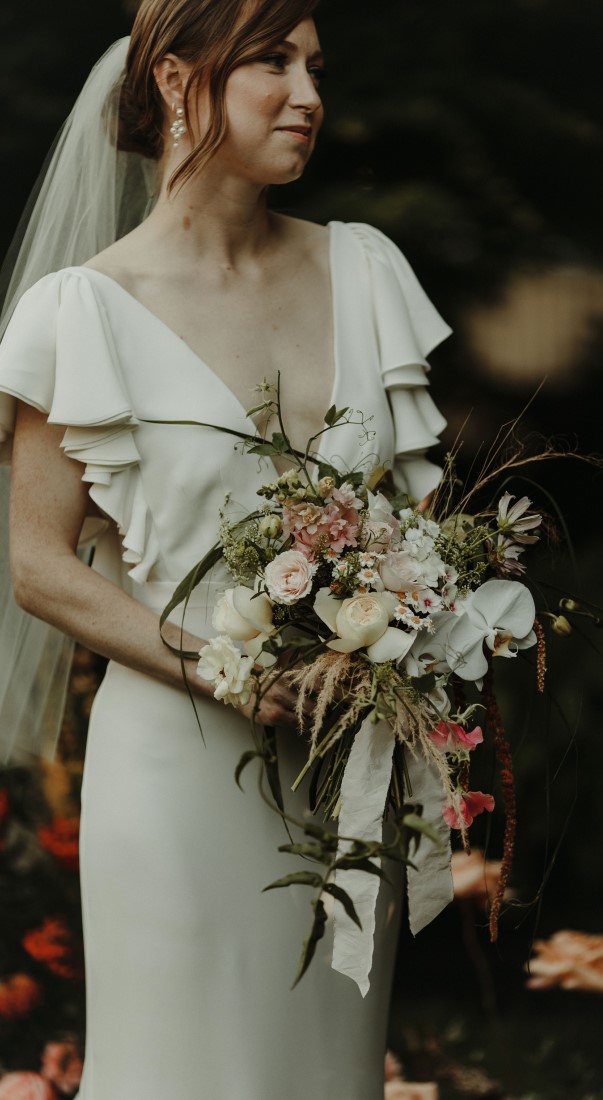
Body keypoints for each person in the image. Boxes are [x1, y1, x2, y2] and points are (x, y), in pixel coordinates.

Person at [0, 1, 450, 1096]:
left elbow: (423, 524)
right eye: (273, 63)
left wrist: (393, 631)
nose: (309, 96)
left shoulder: (365, 270)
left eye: (316, 67)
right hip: (176, 768)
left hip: (343, 771)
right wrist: (223, 668)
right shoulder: (83, 310)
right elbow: (37, 565)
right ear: (174, 80)